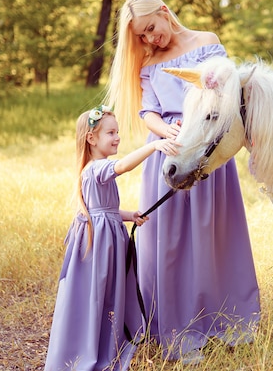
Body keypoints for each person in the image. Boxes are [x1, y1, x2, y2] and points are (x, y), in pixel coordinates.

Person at [104, 0, 261, 364]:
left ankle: (226, 320)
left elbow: (223, 96)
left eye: (151, 29)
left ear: (164, 12)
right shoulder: (150, 63)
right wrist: (168, 133)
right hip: (170, 152)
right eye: (142, 36)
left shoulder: (207, 43)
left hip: (204, 148)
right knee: (168, 242)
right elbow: (149, 111)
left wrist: (192, 127)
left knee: (214, 236)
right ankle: (176, 326)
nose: (150, 39)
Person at [44, 105, 180, 371]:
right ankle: (90, 347)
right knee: (97, 294)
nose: (117, 137)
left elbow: (102, 209)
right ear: (91, 139)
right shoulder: (96, 168)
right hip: (100, 244)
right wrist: (155, 146)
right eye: (110, 133)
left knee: (107, 293)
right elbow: (123, 166)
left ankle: (106, 340)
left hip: (108, 238)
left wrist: (129, 215)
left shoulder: (93, 169)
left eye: (117, 132)